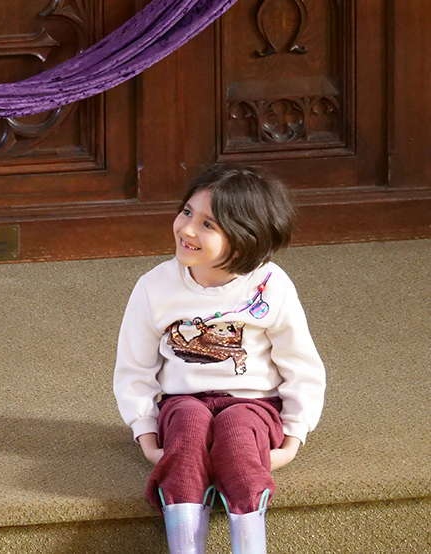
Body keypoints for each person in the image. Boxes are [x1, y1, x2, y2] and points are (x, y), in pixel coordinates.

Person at [112, 167, 326, 554]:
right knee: (188, 434)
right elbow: (134, 369)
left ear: (245, 241)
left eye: (208, 224)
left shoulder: (271, 285)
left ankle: (250, 544)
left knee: (237, 438)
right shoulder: (155, 286)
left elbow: (301, 365)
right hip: (183, 401)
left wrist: (294, 436)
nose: (187, 229)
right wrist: (145, 434)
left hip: (254, 403)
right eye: (187, 212)